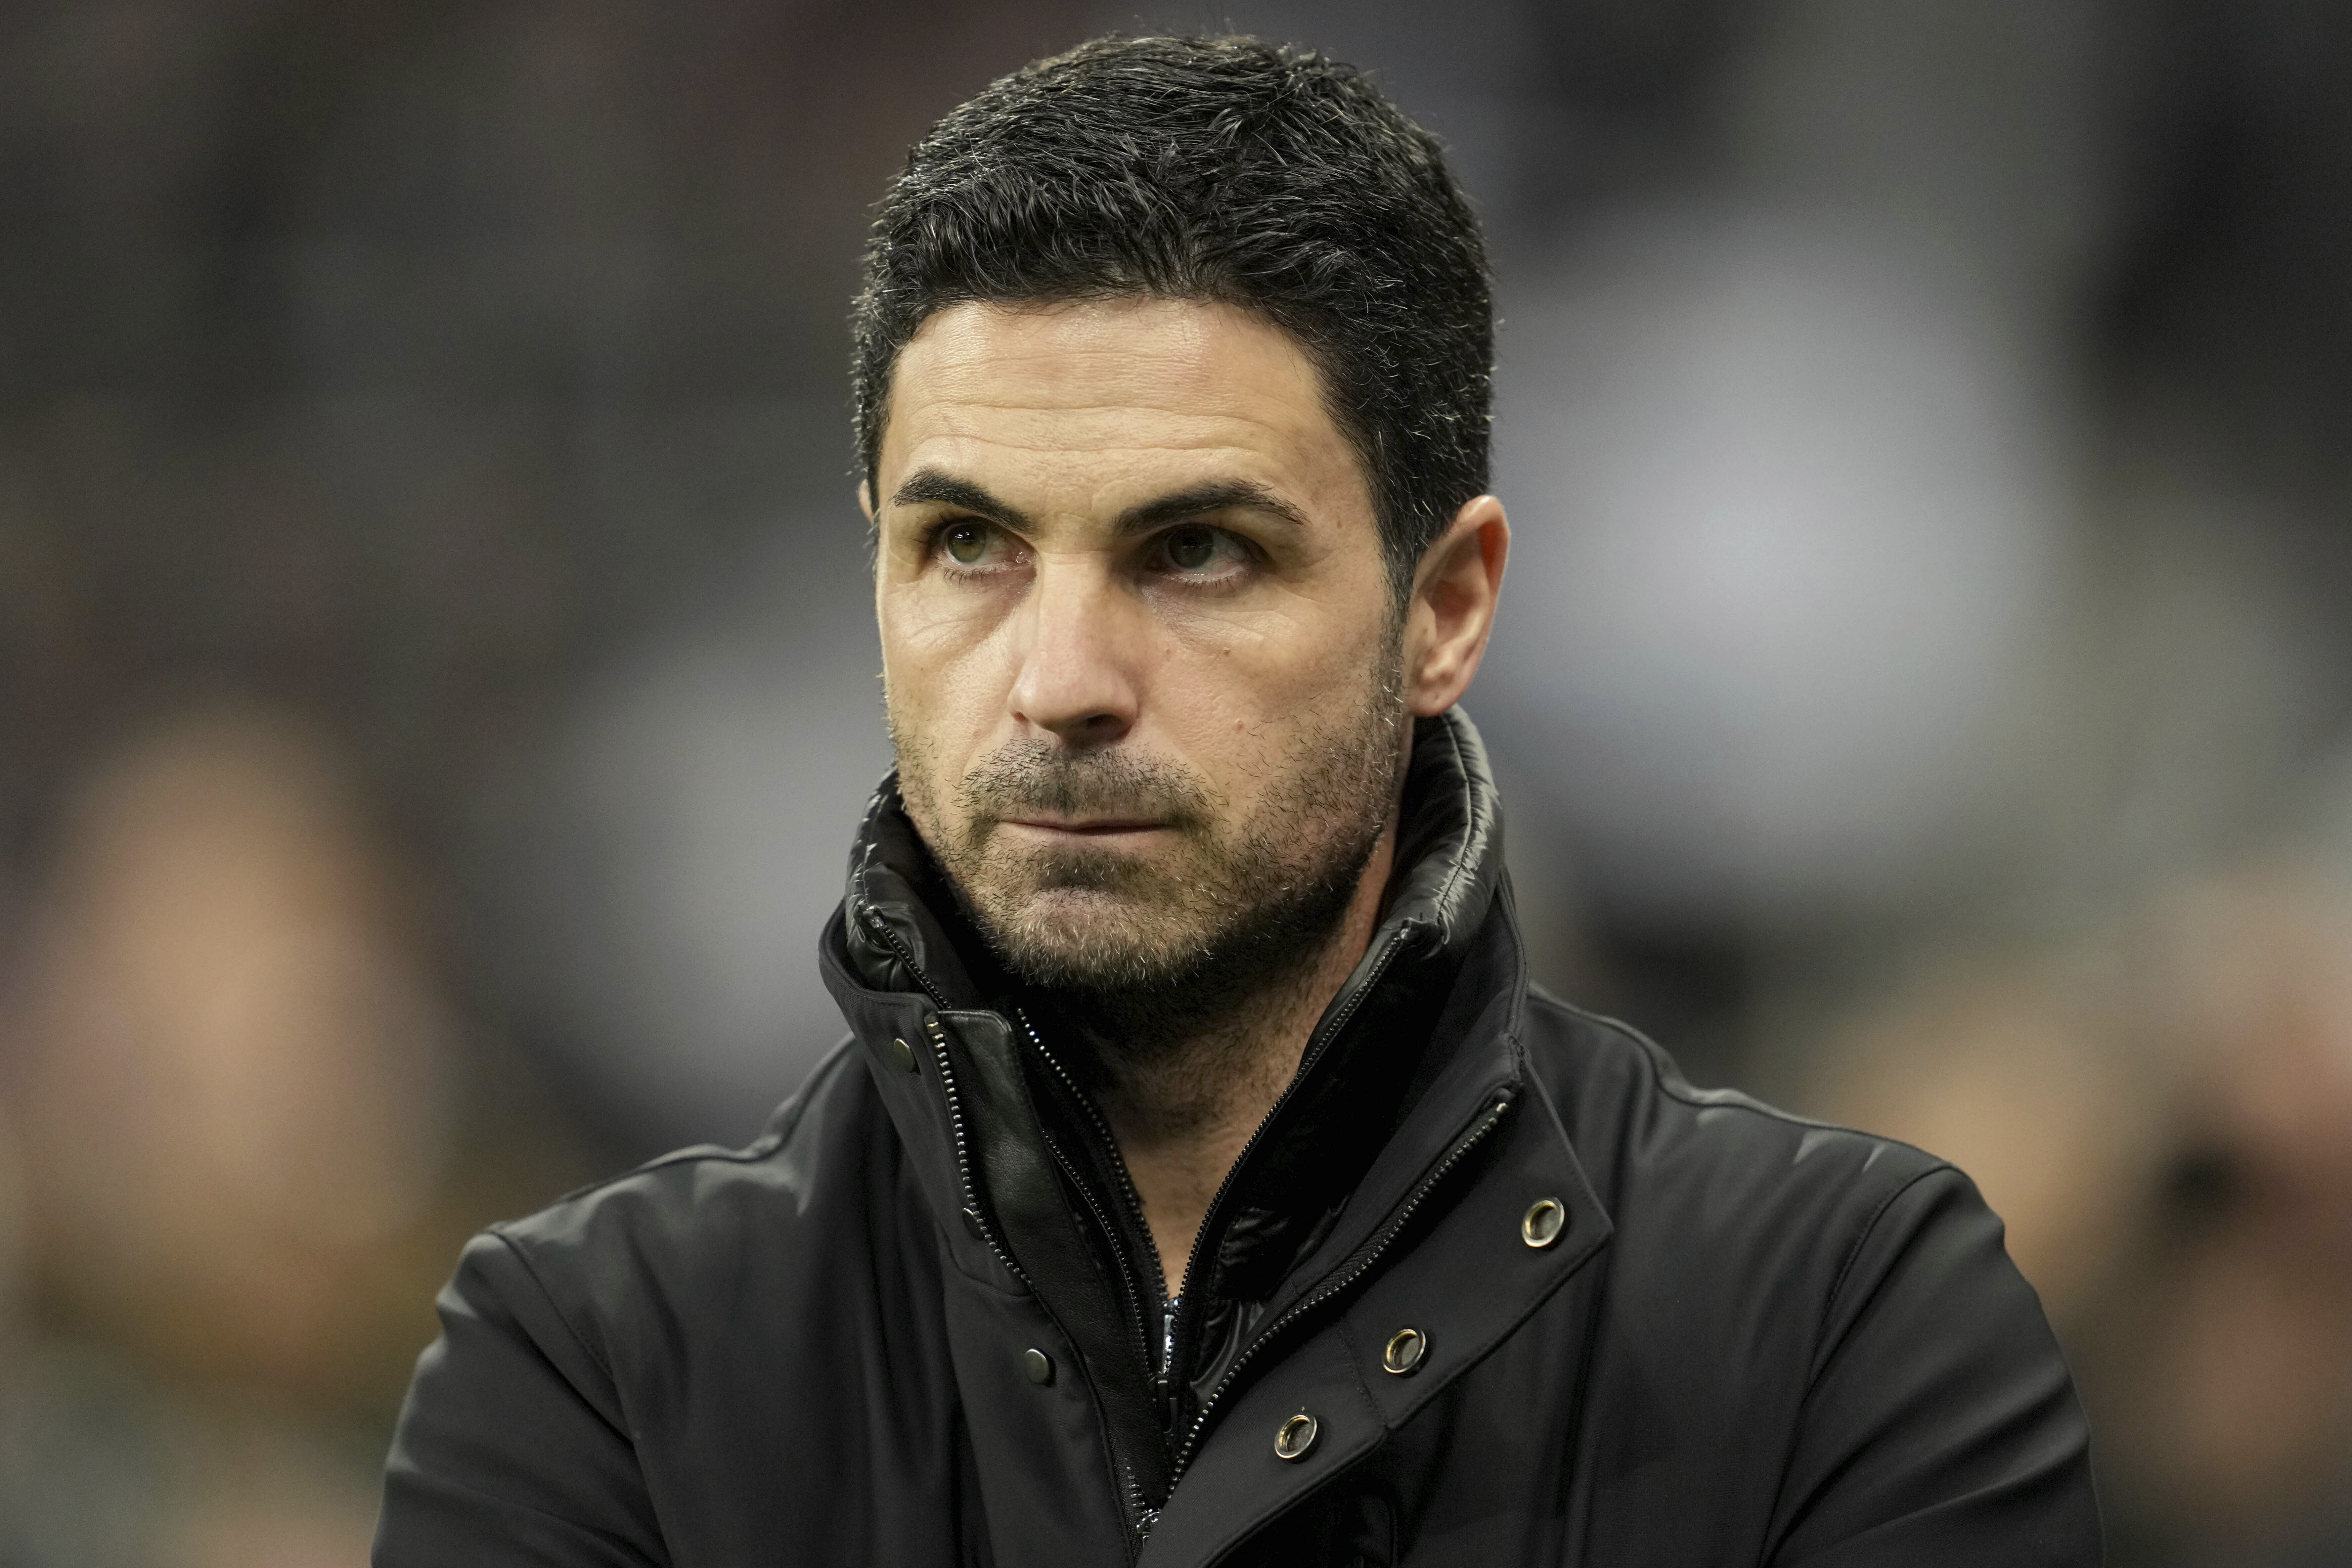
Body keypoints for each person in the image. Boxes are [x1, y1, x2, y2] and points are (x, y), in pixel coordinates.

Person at [375, 34, 2100, 1567]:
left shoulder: (1844, 1325)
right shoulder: (596, 1368)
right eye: (966, 544)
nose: (1060, 678)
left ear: (1445, 609)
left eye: (1196, 550)